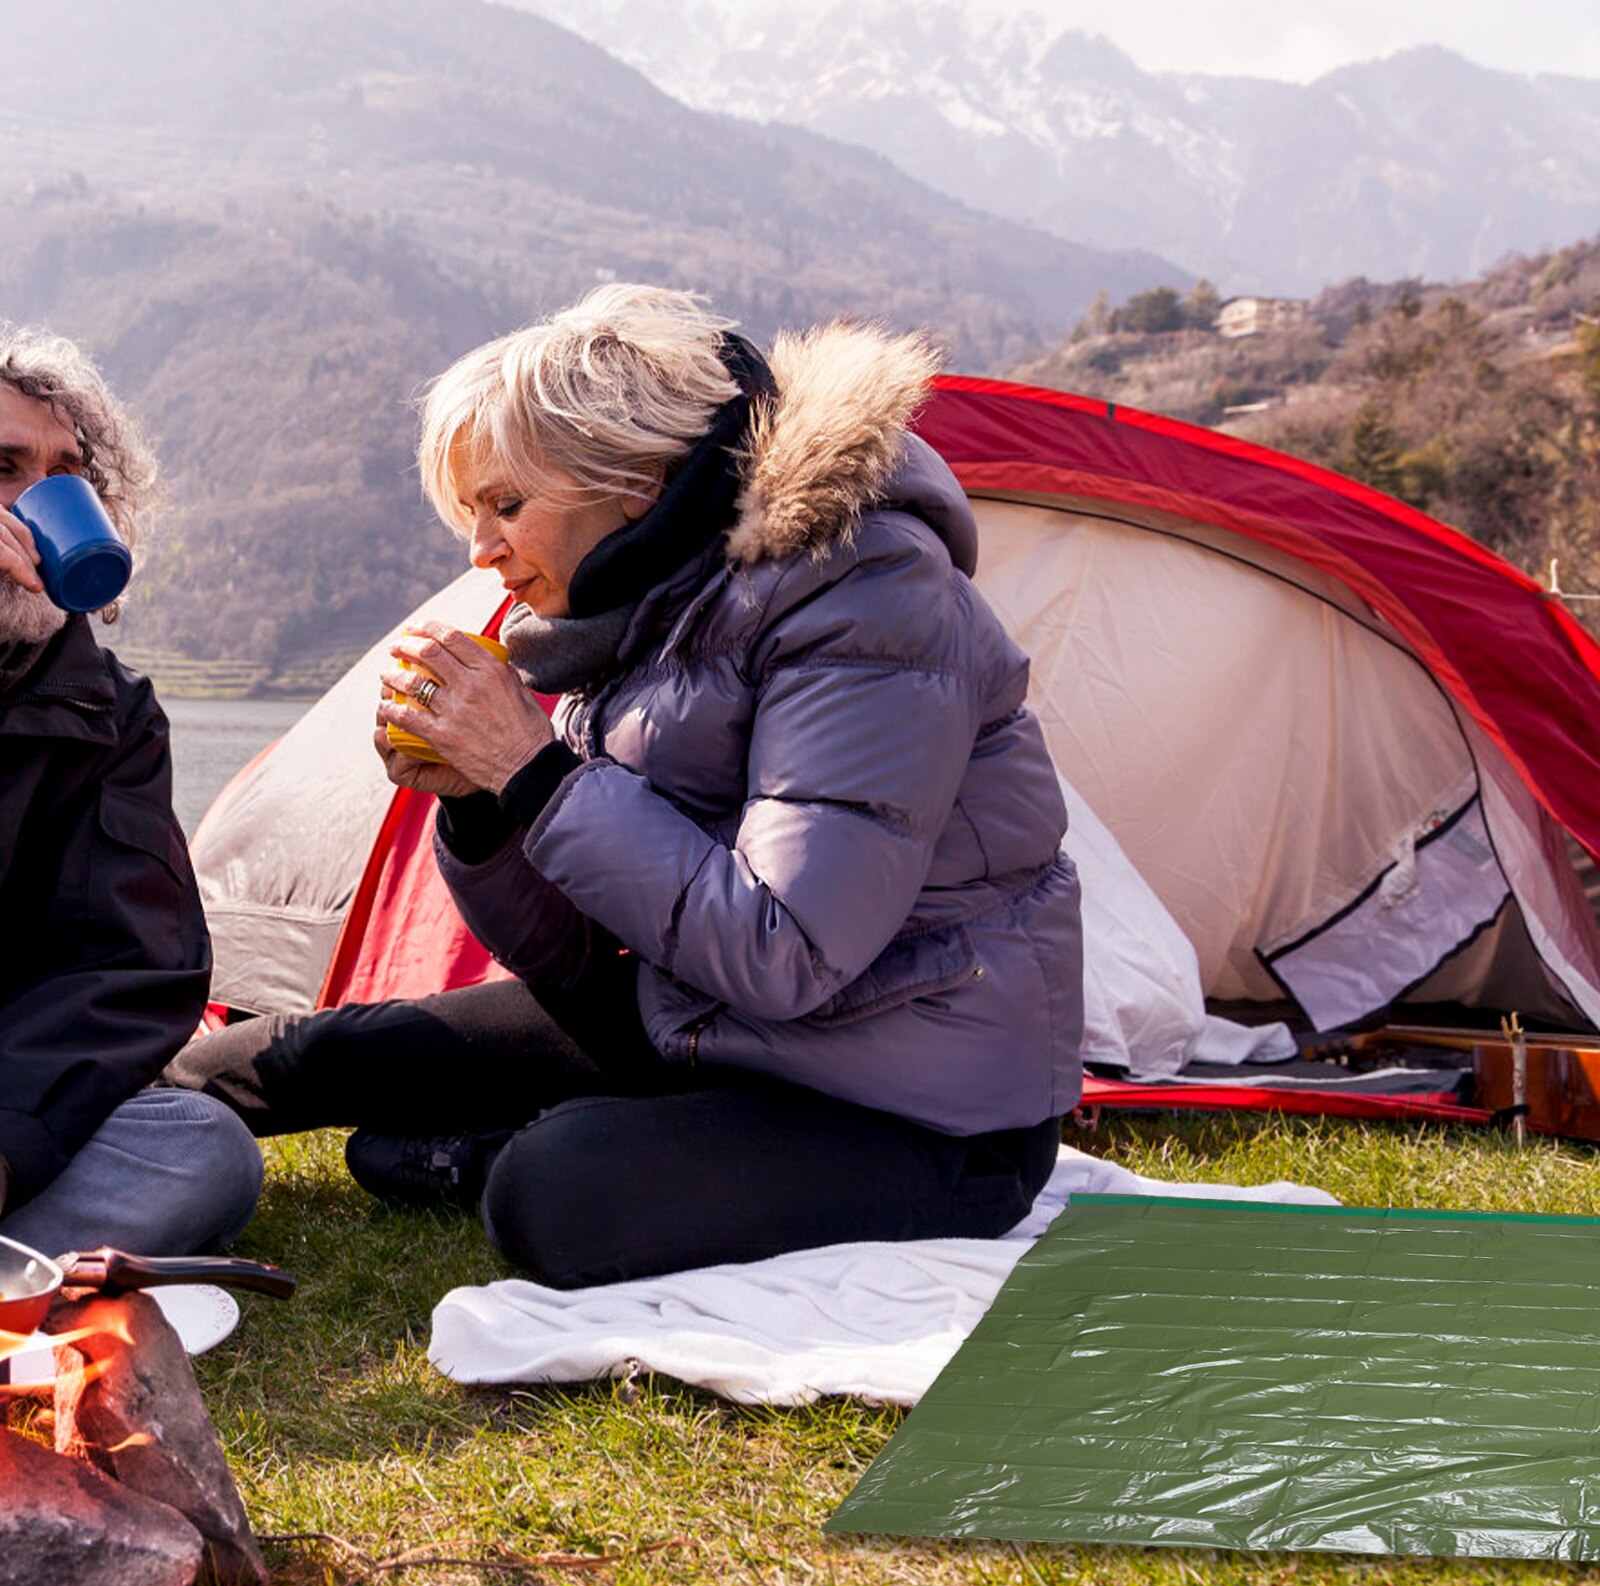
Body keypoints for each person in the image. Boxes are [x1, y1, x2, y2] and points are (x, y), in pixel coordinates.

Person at [166, 284, 1082, 1288]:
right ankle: (60, 1124)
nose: (482, 550)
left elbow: (787, 952)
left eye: (506, 506)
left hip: (915, 1106)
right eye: (471, 515)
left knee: (553, 1191)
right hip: (697, 1025)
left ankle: (508, 1150)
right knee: (300, 1057)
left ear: (635, 481)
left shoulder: (868, 596)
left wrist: (534, 769)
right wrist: (478, 803)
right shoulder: (642, 611)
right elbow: (575, 957)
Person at [0, 325, 262, 1258]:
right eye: (5, 465)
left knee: (204, 1152)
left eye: (66, 472)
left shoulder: (111, 717)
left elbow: (127, 969)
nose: (36, 501)